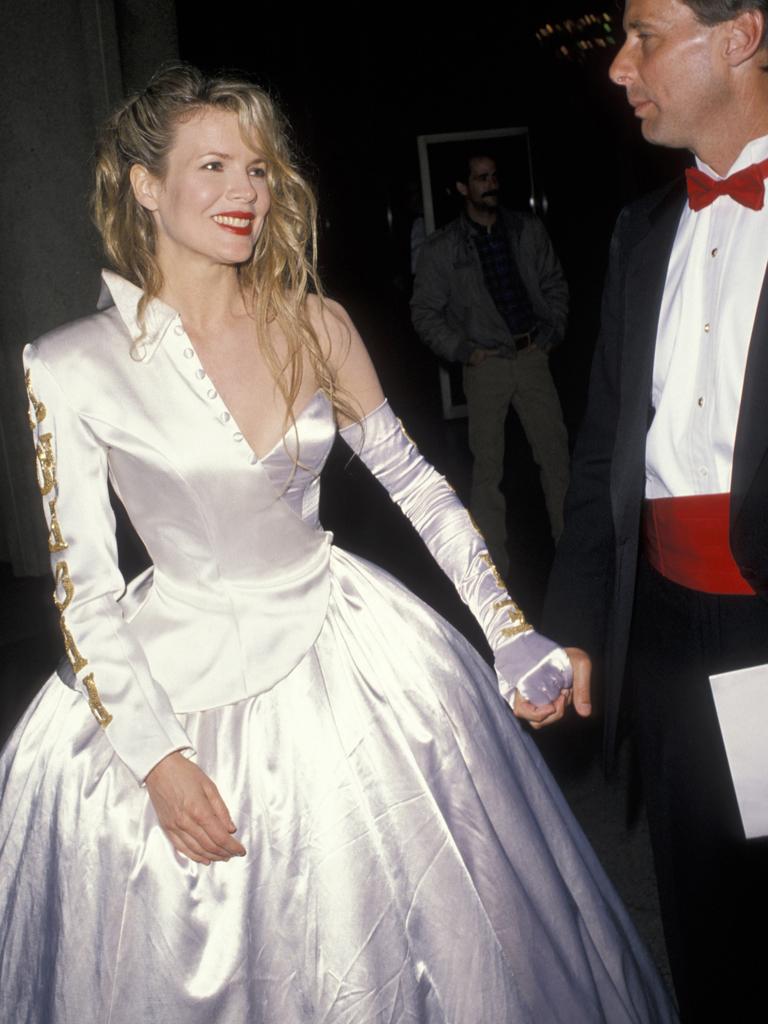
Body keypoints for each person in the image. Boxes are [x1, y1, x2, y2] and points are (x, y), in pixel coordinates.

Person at [0, 64, 676, 1023]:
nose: (248, 193)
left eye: (262, 170)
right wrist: (155, 757)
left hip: (352, 651)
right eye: (216, 166)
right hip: (178, 684)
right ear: (144, 185)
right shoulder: (71, 365)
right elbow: (85, 590)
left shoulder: (317, 324)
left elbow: (417, 486)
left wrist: (508, 626)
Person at [542, 1, 768, 1019]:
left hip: (766, 623)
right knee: (703, 908)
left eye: (644, 33)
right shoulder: (640, 232)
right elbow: (600, 462)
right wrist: (580, 628)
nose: (617, 65)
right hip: (666, 634)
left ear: (741, 35)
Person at [410, 154, 570, 578]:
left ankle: (572, 556)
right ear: (463, 188)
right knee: (487, 472)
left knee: (556, 460)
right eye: (481, 178)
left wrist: (552, 334)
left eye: (495, 176)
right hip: (486, 366)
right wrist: (464, 351)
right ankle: (494, 571)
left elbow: (554, 282)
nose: (491, 184)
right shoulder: (444, 248)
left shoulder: (525, 230)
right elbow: (424, 311)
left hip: (532, 355)